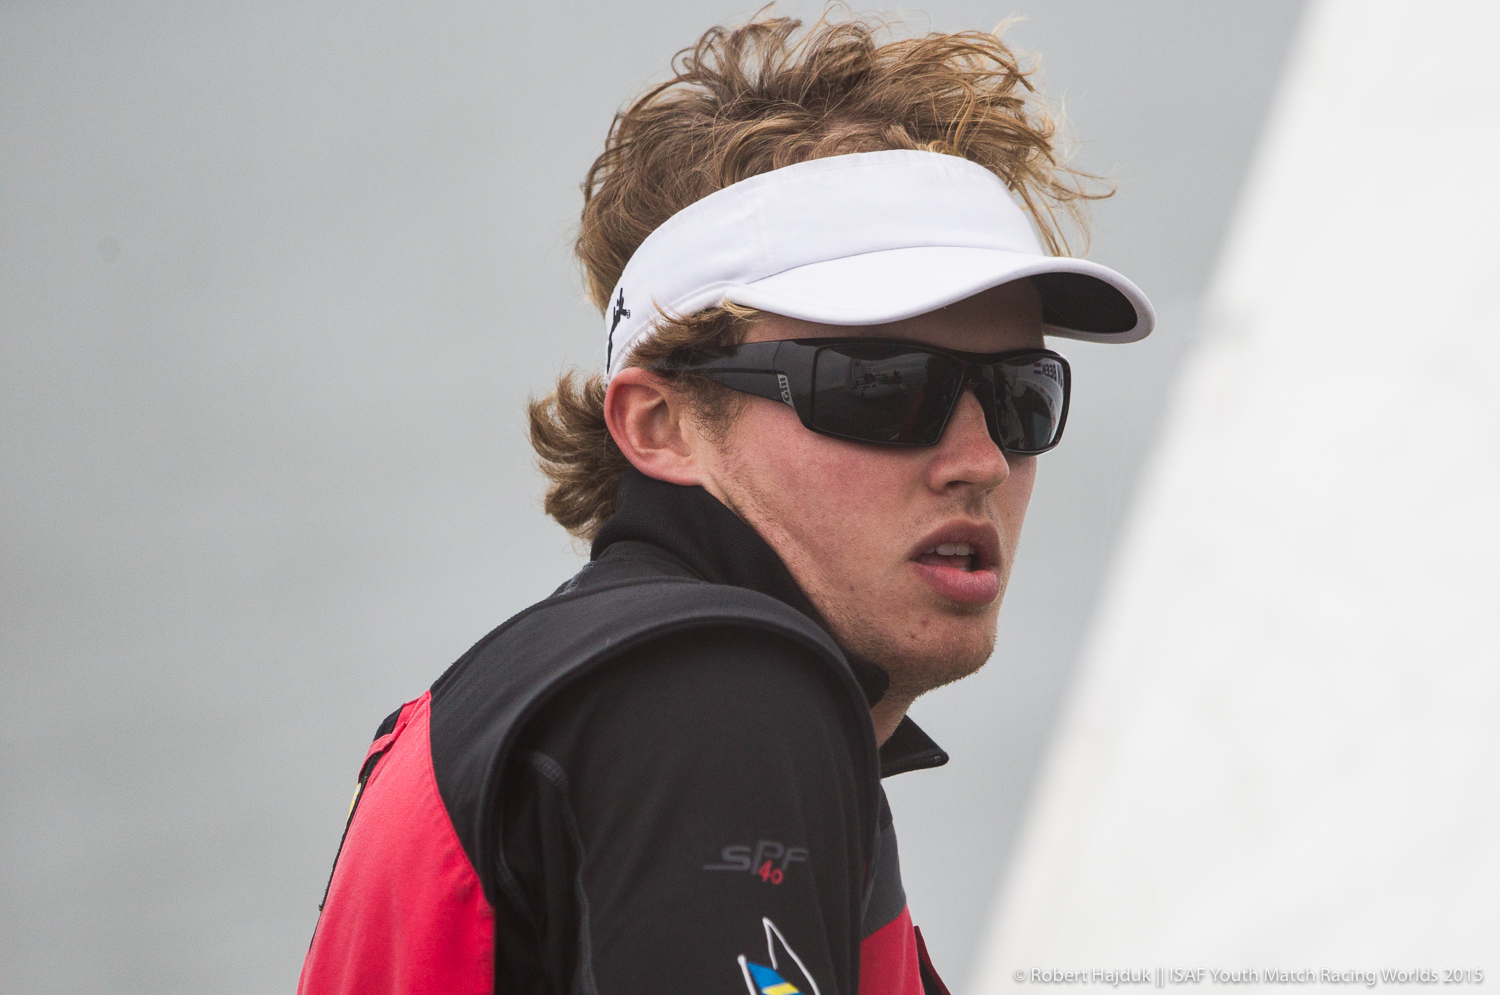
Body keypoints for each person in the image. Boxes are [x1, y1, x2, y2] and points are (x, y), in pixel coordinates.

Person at [298, 11, 1152, 995]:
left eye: (1020, 397)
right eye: (883, 388)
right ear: (662, 423)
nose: (982, 460)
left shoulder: (560, 707)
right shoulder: (716, 695)